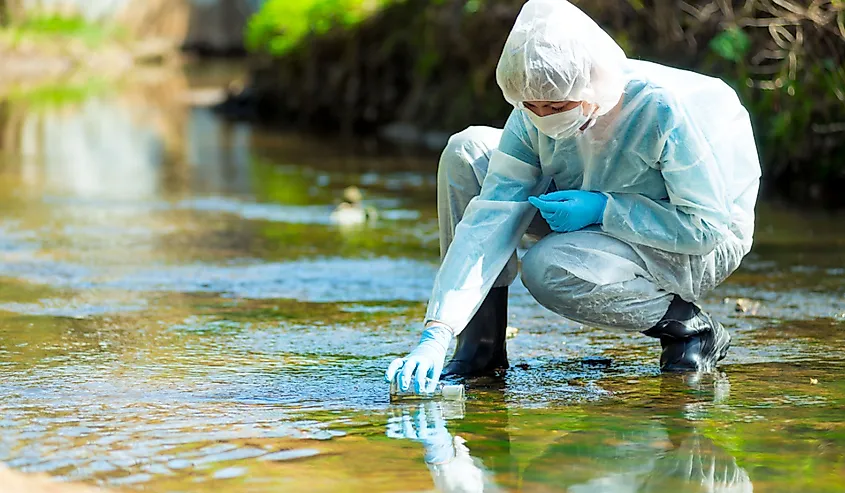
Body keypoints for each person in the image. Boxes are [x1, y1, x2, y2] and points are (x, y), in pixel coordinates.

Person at [386, 0, 761, 394]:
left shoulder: (658, 110)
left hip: (690, 239)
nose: (545, 117)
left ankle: (689, 328)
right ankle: (480, 347)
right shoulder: (532, 111)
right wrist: (438, 331)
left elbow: (706, 227)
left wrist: (606, 208)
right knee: (467, 151)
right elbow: (491, 215)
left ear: (591, 87)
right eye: (532, 106)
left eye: (557, 106)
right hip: (584, 203)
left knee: (546, 267)